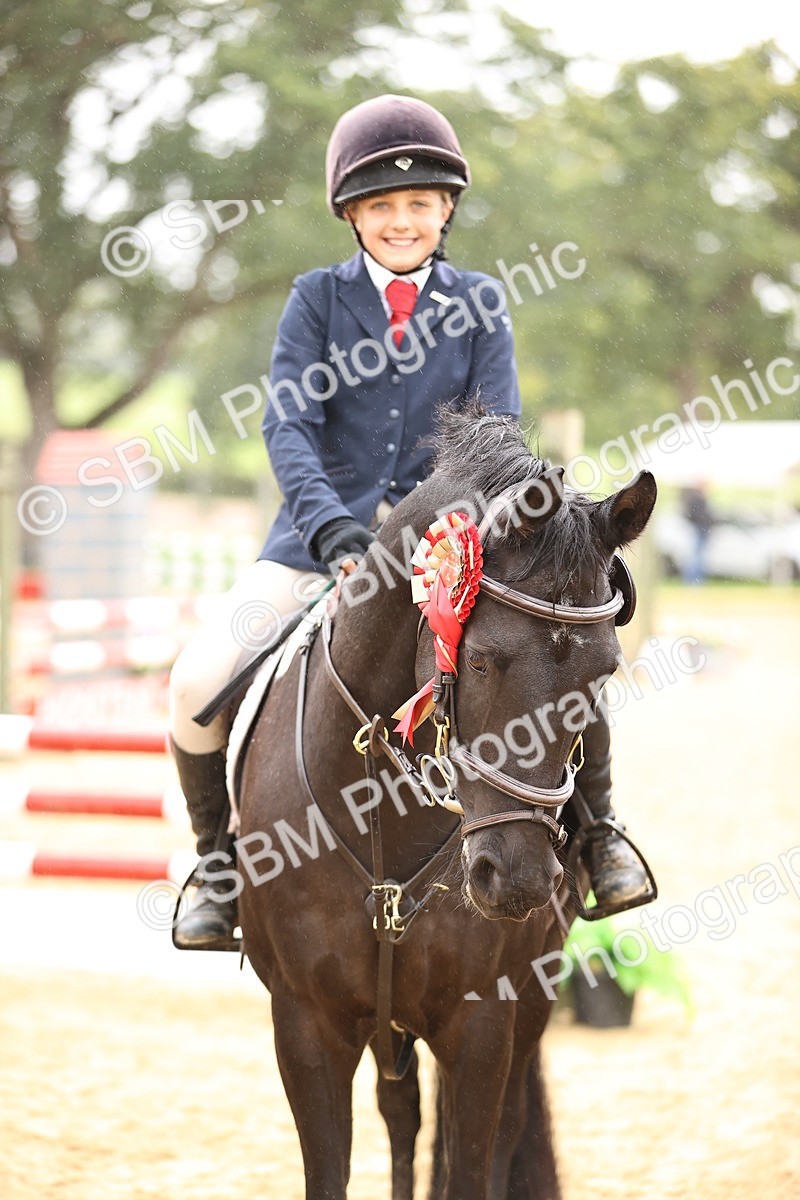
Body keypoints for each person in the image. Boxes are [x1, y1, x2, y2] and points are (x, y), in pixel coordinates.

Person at [169, 94, 649, 949]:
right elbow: (289, 425)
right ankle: (216, 867)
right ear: (352, 215)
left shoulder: (482, 302)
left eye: (419, 205)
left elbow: (496, 434)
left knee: (555, 661)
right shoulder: (316, 301)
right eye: (381, 207)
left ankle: (600, 832)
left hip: (456, 553)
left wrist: (449, 539)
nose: (401, 220)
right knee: (196, 683)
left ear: (446, 210)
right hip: (321, 547)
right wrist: (335, 534)